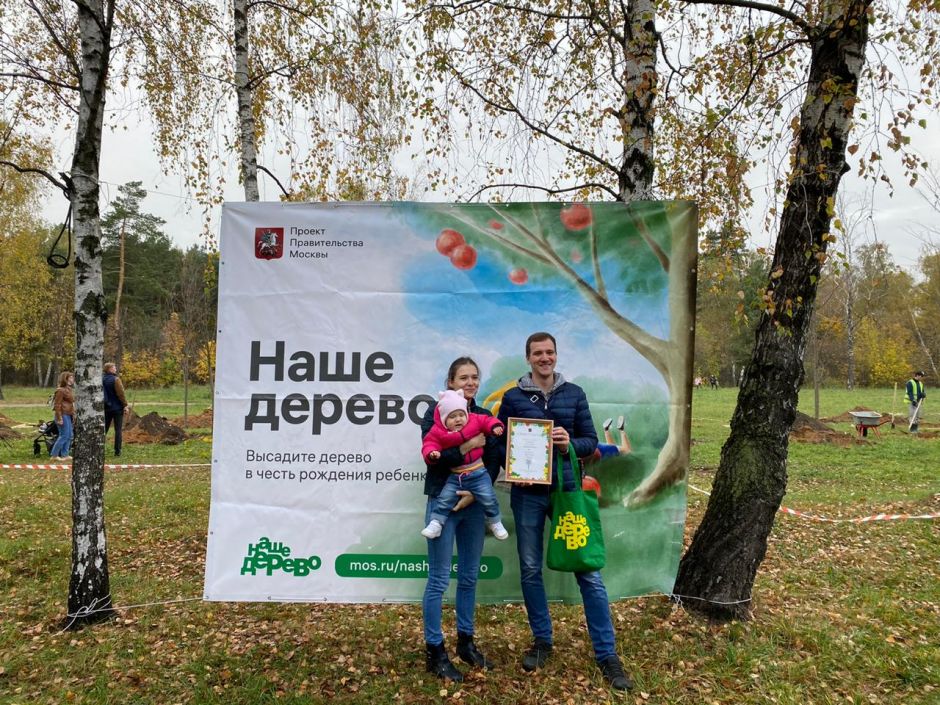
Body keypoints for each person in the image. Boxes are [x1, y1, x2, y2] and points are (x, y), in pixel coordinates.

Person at [497, 332, 632, 691]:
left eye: (550, 352)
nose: (545, 358)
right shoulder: (513, 397)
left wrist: (568, 442)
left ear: (556, 355)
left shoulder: (574, 393)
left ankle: (607, 653)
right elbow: (501, 443)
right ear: (527, 358)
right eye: (538, 353)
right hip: (527, 493)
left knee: (587, 569)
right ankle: (542, 640)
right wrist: (508, 470)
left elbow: (589, 440)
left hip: (568, 491)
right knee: (529, 568)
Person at [420, 357, 502, 682]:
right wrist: (467, 444)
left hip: (474, 504)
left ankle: (466, 643)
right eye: (463, 377)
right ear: (451, 381)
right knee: (439, 580)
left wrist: (476, 492)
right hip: (444, 501)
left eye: (474, 377)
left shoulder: (483, 416)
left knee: (468, 576)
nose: (469, 382)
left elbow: (493, 458)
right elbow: (434, 461)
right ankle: (435, 651)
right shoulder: (435, 414)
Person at [421, 389, 508, 540]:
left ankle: (495, 521)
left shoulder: (474, 420)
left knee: (489, 498)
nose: (458, 419)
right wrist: (431, 454)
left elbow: (488, 421)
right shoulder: (438, 431)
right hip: (456, 476)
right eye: (452, 417)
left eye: (461, 415)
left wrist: (495, 427)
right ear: (444, 420)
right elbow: (429, 443)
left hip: (478, 474)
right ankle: (436, 523)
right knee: (444, 499)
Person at [103, 362, 128, 456]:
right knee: (118, 430)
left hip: (106, 407)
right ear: (109, 369)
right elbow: (120, 394)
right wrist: (125, 405)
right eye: (114, 367)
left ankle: (100, 448)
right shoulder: (116, 379)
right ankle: (117, 451)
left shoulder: (101, 379)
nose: (115, 369)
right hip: (117, 408)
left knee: (104, 430)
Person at [49, 371, 75, 462]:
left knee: (69, 435)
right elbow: (57, 405)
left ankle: (65, 455)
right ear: (66, 379)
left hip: (68, 414)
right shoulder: (60, 390)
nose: (72, 379)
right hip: (62, 415)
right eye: (71, 377)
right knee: (64, 435)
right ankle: (54, 455)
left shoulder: (69, 389)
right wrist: (59, 418)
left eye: (72, 377)